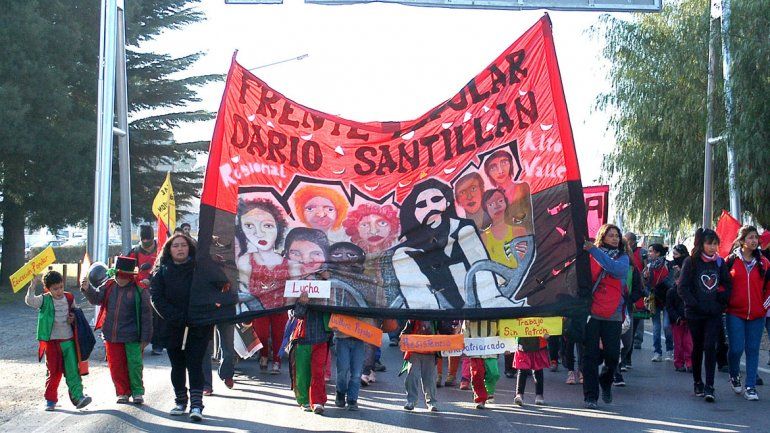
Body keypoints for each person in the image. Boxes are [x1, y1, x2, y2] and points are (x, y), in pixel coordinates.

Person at [391, 178, 506, 309]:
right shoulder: (405, 252)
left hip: (481, 312)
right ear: (414, 212)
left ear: (446, 202)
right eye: (422, 204)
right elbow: (420, 302)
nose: (431, 207)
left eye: (436, 200)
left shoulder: (464, 229)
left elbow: (483, 272)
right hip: (437, 322)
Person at [150, 234, 212, 422]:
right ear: (169, 249)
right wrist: (176, 317)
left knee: (195, 364)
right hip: (172, 326)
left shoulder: (200, 270)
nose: (179, 249)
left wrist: (196, 315)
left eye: (183, 245)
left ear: (189, 247)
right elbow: (156, 298)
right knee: (177, 365)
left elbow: (210, 292)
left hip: (198, 325)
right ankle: (180, 401)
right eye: (175, 246)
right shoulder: (162, 272)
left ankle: (196, 405)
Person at [82, 256, 153, 405]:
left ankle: (137, 392)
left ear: (130, 277)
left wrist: (145, 339)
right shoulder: (108, 286)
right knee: (116, 365)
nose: (120, 279)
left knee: (134, 365)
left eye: (124, 276)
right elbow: (96, 299)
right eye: (118, 275)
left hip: (132, 336)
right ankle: (122, 393)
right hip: (111, 336)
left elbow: (147, 317)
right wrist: (87, 289)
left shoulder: (140, 291)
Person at [236, 199, 291, 374]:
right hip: (257, 306)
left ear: (278, 228)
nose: (259, 233)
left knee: (279, 334)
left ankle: (277, 360)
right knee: (260, 333)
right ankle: (264, 355)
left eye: (267, 226)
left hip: (281, 306)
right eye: (250, 226)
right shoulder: (245, 259)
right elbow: (242, 285)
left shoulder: (289, 262)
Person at [677, 228, 732, 403]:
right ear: (702, 244)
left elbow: (727, 285)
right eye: (709, 243)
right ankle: (697, 381)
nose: (712, 247)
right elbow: (682, 287)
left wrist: (720, 302)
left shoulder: (720, 263)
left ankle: (710, 385)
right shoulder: (691, 262)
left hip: (713, 313)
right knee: (698, 346)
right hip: (695, 313)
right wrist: (695, 304)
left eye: (715, 244)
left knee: (710, 346)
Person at [26, 272, 92, 411]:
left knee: (73, 370)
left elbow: (76, 313)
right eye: (55, 288)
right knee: (54, 372)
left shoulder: (69, 297)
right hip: (52, 343)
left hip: (68, 341)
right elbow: (30, 301)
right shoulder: (44, 300)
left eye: (61, 287)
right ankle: (50, 400)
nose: (59, 291)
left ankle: (78, 397)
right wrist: (32, 285)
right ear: (48, 289)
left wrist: (73, 318)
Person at [284, 227, 333, 414]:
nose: (308, 260)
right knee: (303, 372)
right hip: (302, 336)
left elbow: (337, 305)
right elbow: (295, 315)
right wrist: (302, 303)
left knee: (318, 372)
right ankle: (304, 400)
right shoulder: (294, 281)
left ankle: (318, 401)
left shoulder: (329, 280)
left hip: (321, 335)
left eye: (315, 254)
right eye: (298, 253)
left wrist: (327, 282)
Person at [582, 224, 630, 409]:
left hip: (613, 313)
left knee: (612, 356)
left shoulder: (623, 257)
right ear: (602, 237)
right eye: (610, 235)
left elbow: (616, 270)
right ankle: (590, 396)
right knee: (590, 357)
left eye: (617, 236)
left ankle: (605, 380)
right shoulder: (589, 256)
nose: (615, 238)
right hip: (592, 313)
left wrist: (594, 250)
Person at [725, 225, 770, 401]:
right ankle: (734, 374)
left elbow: (768, 288)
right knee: (736, 349)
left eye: (755, 238)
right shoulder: (730, 261)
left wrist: (764, 306)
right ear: (742, 240)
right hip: (735, 312)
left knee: (753, 349)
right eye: (750, 237)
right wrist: (726, 302)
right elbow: (723, 285)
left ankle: (751, 386)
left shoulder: (764, 263)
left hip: (757, 314)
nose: (754, 241)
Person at [400, 319, 454, 412]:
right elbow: (404, 333)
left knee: (430, 379)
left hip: (430, 353)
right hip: (414, 352)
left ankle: (431, 402)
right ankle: (411, 401)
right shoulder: (413, 319)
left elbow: (445, 331)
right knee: (412, 376)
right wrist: (402, 338)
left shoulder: (436, 319)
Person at [129, 224, 164, 356]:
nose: (145, 243)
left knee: (158, 316)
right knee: (139, 316)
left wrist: (152, 279)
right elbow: (128, 266)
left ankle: (158, 343)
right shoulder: (135, 251)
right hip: (139, 288)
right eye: (143, 240)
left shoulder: (161, 249)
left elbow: (163, 268)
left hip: (157, 287)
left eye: (147, 240)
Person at [333, 315, 372, 411]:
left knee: (357, 373)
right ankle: (340, 393)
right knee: (343, 369)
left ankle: (352, 399)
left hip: (359, 337)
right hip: (342, 336)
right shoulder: (342, 299)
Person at [645, 244, 674, 362]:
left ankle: (670, 350)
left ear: (658, 253)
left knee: (667, 326)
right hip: (654, 299)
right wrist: (645, 278)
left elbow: (671, 282)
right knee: (656, 327)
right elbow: (646, 285)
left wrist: (661, 285)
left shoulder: (668, 265)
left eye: (651, 251)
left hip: (667, 299)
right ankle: (657, 352)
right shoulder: (648, 266)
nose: (649, 254)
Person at [463, 320, 500, 408]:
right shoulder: (470, 314)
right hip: (476, 351)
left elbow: (501, 330)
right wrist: (465, 344)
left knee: (493, 374)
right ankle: (480, 399)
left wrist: (507, 345)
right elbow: (465, 330)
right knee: (477, 375)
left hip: (491, 350)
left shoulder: (496, 313)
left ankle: (489, 391)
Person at [667, 272, 692, 373]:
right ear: (676, 280)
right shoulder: (671, 292)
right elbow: (670, 307)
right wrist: (677, 318)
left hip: (689, 320)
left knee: (689, 343)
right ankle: (679, 363)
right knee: (678, 344)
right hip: (677, 322)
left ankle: (690, 363)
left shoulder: (690, 291)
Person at [626, 232, 647, 349]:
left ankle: (637, 339)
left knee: (639, 313)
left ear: (632, 242)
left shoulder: (642, 252)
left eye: (627, 240)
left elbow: (647, 268)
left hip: (638, 285)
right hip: (628, 284)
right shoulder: (624, 252)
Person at [513, 336, 548, 406]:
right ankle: (519, 394)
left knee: (538, 369)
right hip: (523, 341)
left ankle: (539, 394)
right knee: (522, 369)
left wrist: (549, 331)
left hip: (539, 341)